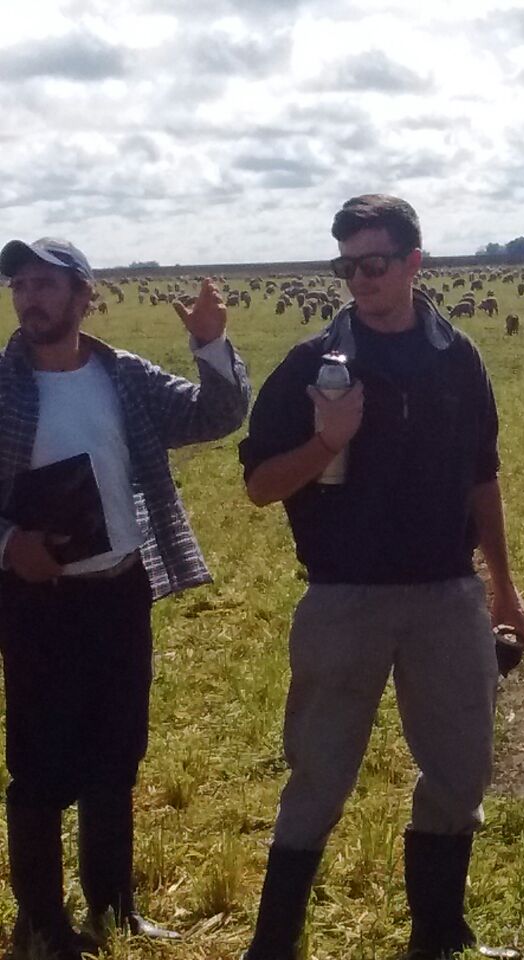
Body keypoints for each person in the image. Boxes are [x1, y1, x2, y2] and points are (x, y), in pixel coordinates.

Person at [237, 194, 524, 960]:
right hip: (343, 598)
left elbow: (483, 475)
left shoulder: (457, 356)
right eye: (346, 265)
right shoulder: (313, 363)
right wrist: (327, 440)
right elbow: (260, 484)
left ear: (414, 263)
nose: (359, 279)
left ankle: (438, 936)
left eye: (374, 264)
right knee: (319, 773)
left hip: (447, 595)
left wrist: (503, 586)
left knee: (459, 770)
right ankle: (273, 944)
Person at [0, 238, 251, 959]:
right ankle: (41, 925)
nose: (30, 299)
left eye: (46, 285)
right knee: (40, 765)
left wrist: (211, 344)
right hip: (35, 601)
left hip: (119, 590)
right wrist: (9, 545)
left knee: (118, 753)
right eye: (21, 286)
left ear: (85, 296)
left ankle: (114, 909)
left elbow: (215, 415)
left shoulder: (123, 377)